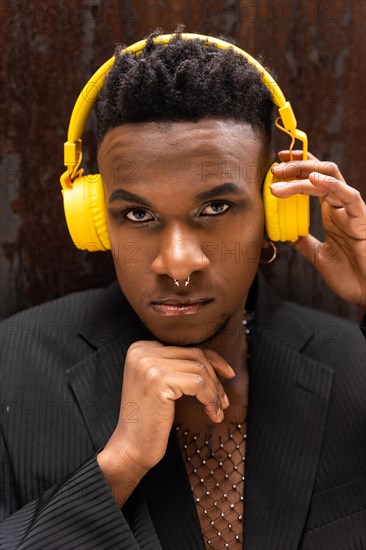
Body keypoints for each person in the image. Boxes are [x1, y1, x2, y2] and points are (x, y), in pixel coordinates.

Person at [1, 29, 365, 550]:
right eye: (138, 213)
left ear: (275, 211)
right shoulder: (11, 368)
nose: (177, 265)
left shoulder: (354, 360)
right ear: (96, 224)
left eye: (215, 208)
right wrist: (118, 467)